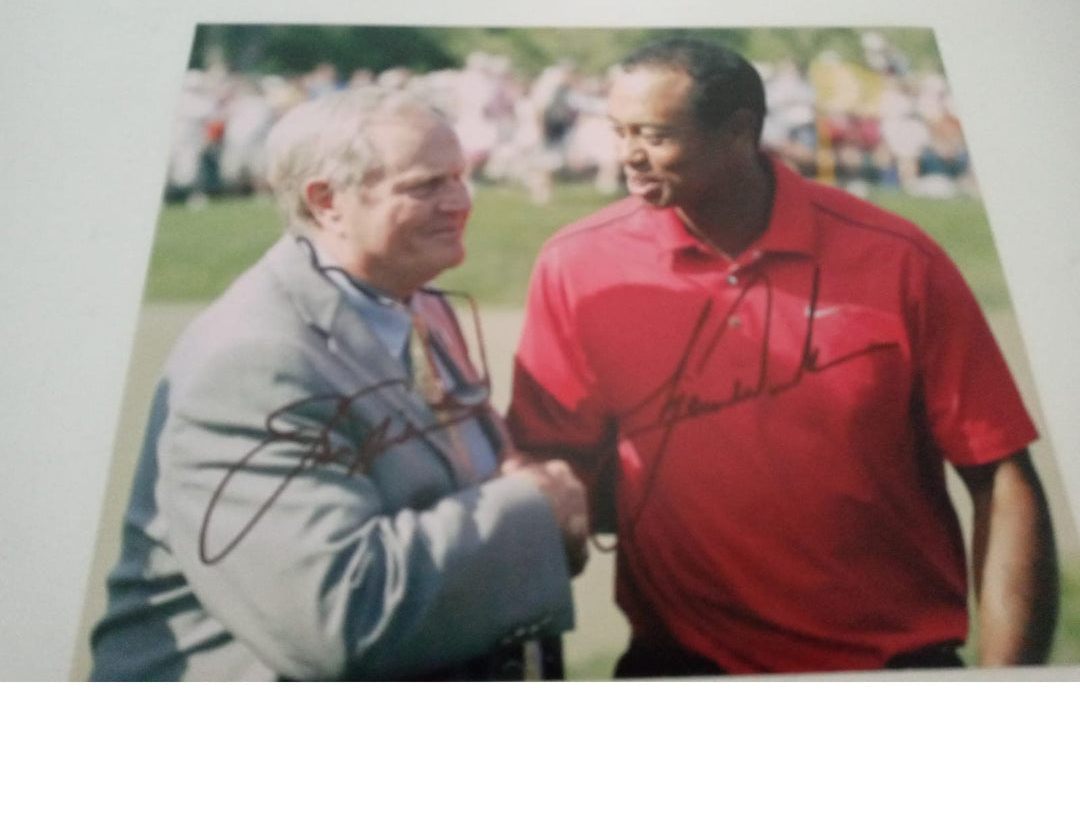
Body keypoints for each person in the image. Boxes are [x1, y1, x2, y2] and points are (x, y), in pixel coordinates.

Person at [508, 36, 1059, 677]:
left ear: (740, 131)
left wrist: (1011, 683)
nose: (628, 157)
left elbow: (1001, 475)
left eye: (655, 135)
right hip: (679, 669)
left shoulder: (899, 259)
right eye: (618, 131)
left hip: (891, 671)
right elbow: (547, 456)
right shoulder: (576, 264)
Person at [91, 90, 587, 681]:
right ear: (327, 202)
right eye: (426, 185)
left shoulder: (417, 300)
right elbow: (340, 617)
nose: (460, 201)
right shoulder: (254, 359)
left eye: (461, 176)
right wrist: (535, 511)